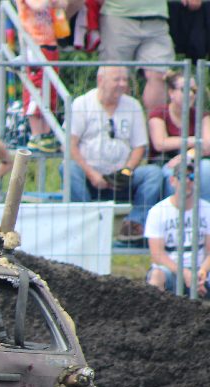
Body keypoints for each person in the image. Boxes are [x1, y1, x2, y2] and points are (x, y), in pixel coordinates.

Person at [63, 66, 162, 243]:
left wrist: (127, 170)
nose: (122, 84)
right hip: (89, 175)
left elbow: (139, 146)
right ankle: (87, 221)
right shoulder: (81, 104)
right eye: (117, 79)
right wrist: (91, 174)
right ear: (101, 80)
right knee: (68, 168)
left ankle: (133, 224)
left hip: (122, 176)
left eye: (125, 80)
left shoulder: (133, 105)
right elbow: (70, 145)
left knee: (153, 173)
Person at [144, 162, 210, 298]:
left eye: (191, 177)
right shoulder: (158, 211)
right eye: (182, 176)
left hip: (201, 271)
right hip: (171, 270)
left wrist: (202, 272)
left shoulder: (207, 210)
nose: (187, 181)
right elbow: (157, 254)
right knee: (156, 275)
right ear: (172, 180)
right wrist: (184, 273)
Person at [98, 0, 173, 113]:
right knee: (116, 77)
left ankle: (155, 127)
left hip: (157, 20)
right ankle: (119, 126)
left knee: (159, 75)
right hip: (118, 16)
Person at [148, 71, 210, 201]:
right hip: (166, 163)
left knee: (206, 169)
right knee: (175, 173)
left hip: (194, 161)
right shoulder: (159, 113)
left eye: (194, 90)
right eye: (185, 89)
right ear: (171, 93)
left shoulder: (202, 116)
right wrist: (195, 140)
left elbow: (207, 145)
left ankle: (204, 216)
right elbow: (160, 143)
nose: (191, 94)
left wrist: (187, 155)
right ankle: (175, 217)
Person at [15, 0, 66, 153]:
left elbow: (63, 5)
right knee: (36, 90)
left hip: (50, 44)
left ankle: (46, 134)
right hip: (34, 45)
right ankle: (36, 135)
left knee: (50, 90)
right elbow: (38, 5)